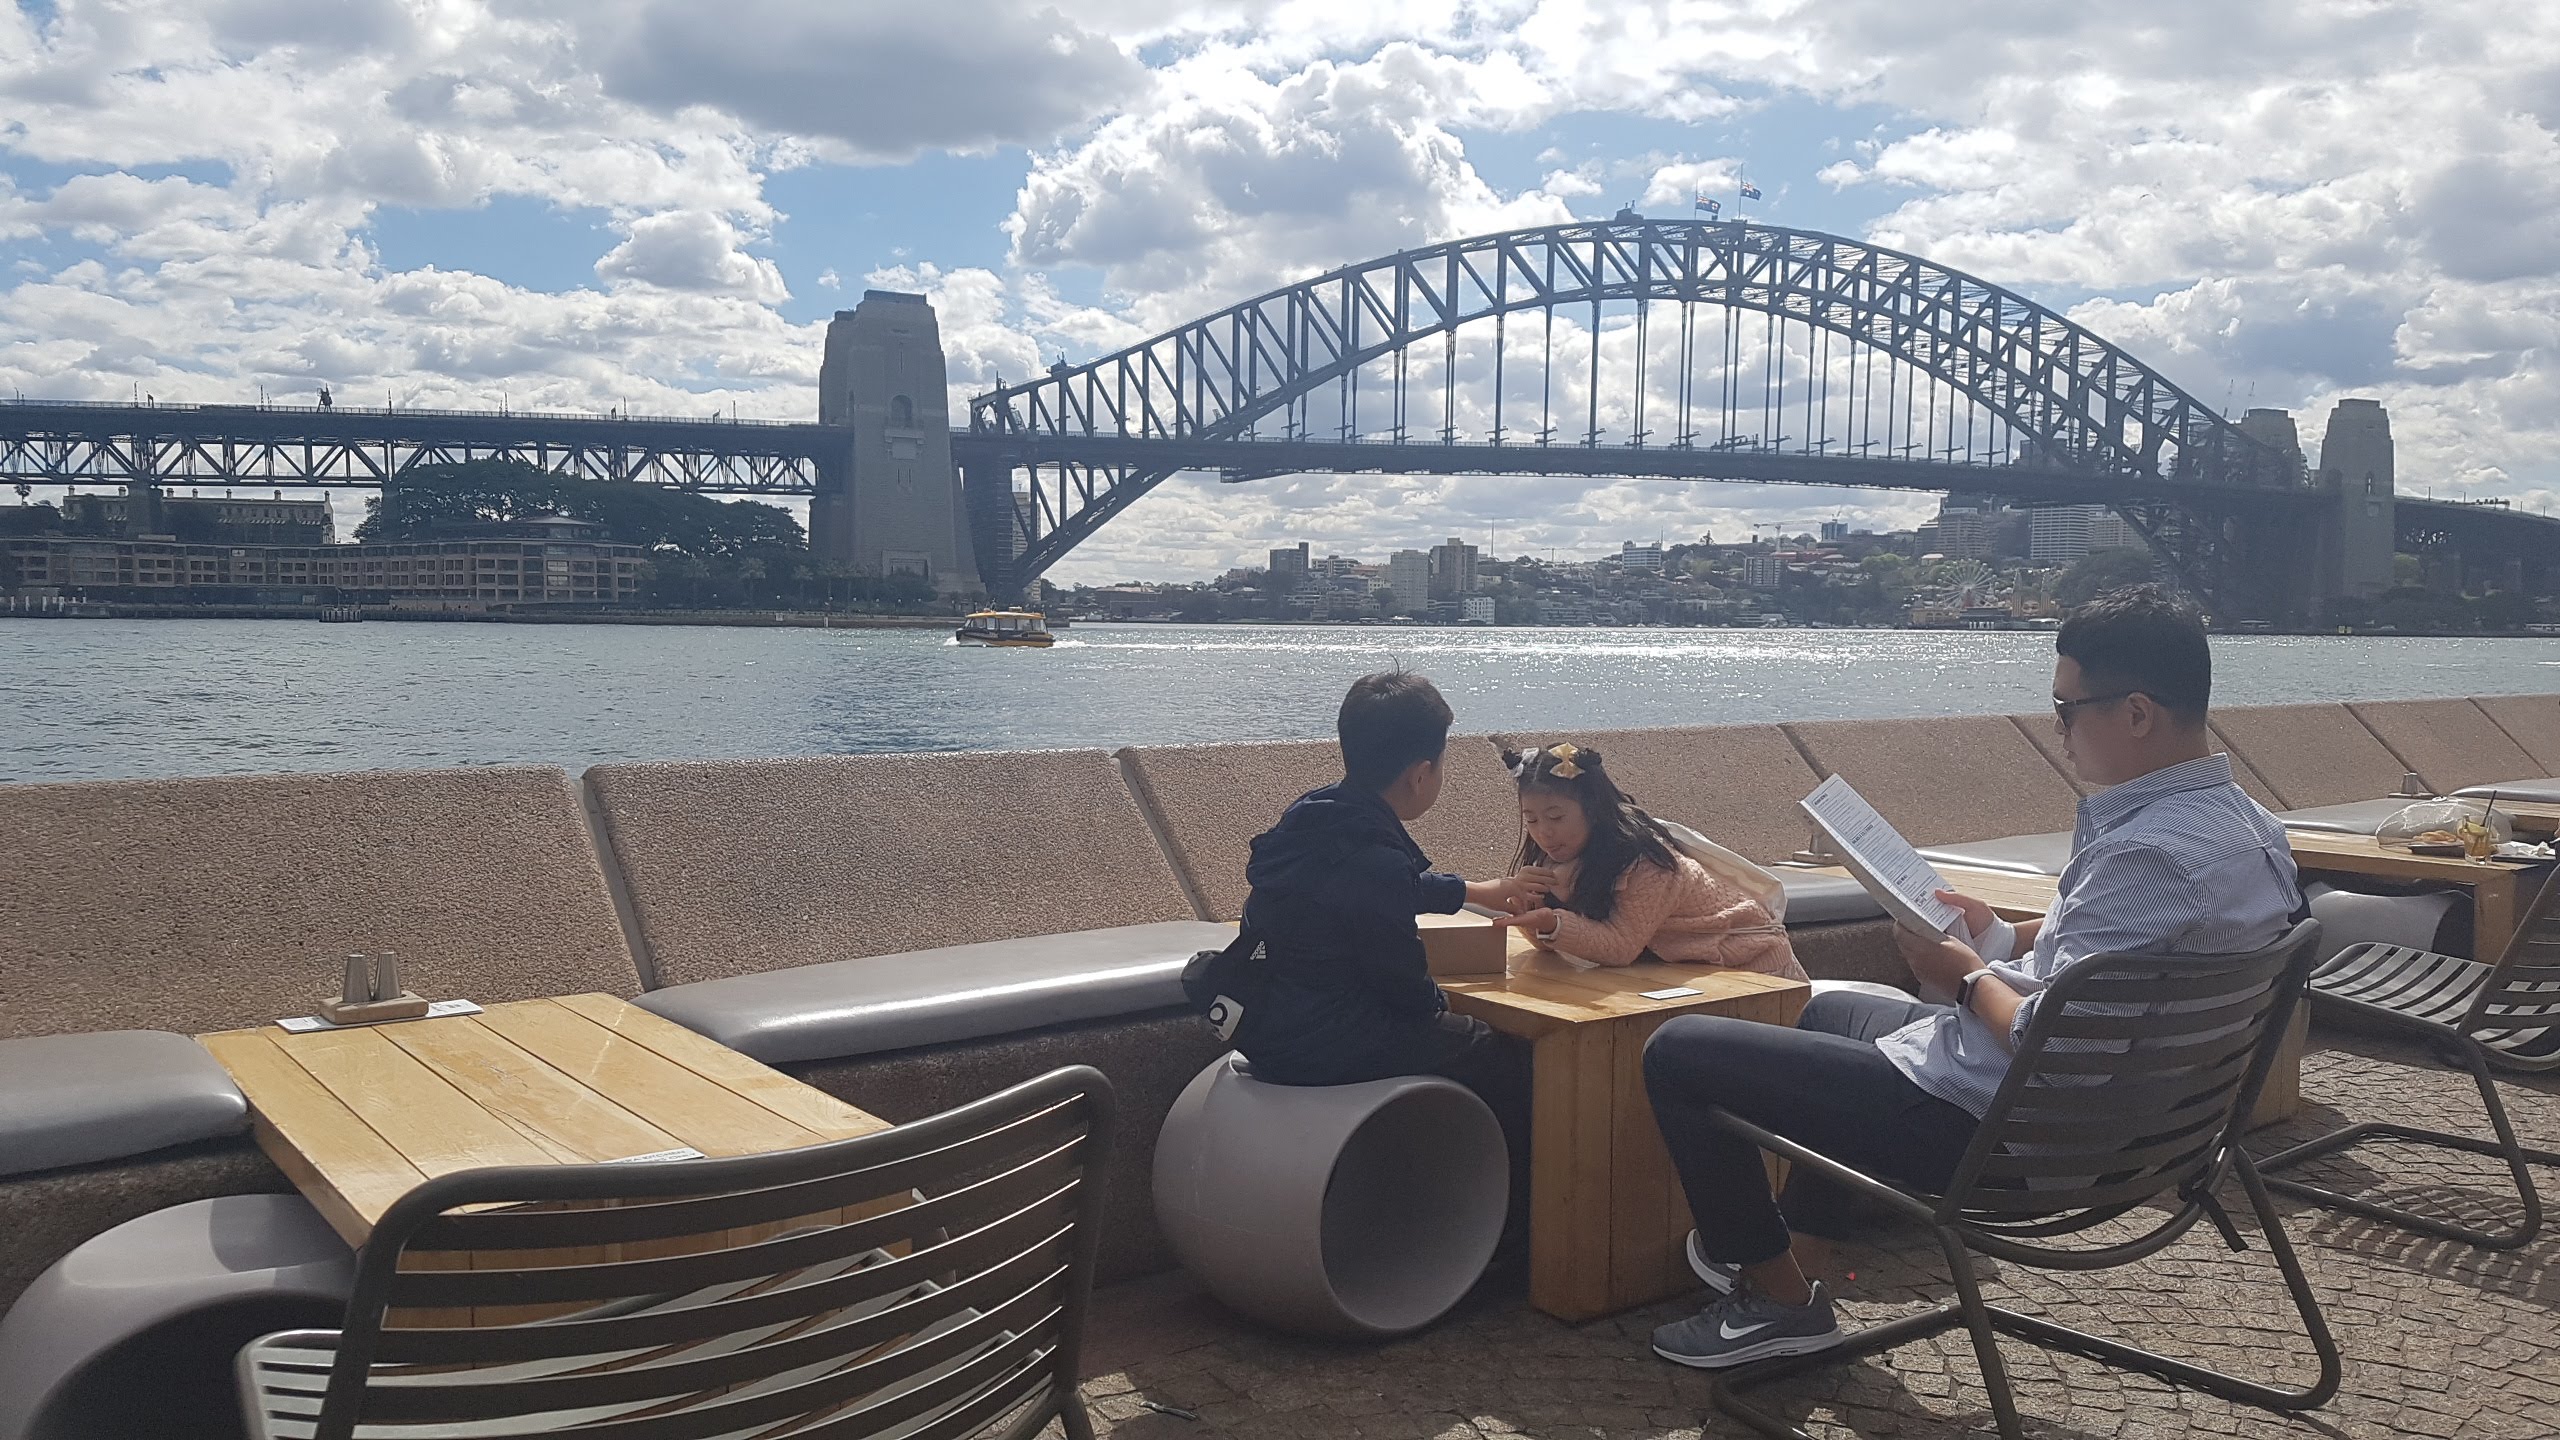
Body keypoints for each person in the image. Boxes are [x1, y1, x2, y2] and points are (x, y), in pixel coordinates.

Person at [1638, 584, 2303, 1369]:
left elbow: (2057, 1047)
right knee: (1831, 1017)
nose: (2057, 730)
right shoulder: (2248, 827)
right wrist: (1997, 935)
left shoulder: (2145, 854)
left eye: (2066, 709)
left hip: (2013, 1139)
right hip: (2140, 1128)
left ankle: (1775, 1298)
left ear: (2135, 714)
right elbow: (2130, 962)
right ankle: (1798, 1272)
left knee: (1678, 1050)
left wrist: (1959, 974)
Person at [1230, 669, 1537, 1086]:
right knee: (1500, 1052)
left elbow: (1377, 889)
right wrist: (1446, 1007)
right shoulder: (1379, 862)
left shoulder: (1315, 814)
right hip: (1323, 1043)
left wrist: (1475, 891)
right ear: (1420, 776)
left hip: (1268, 1027)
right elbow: (1403, 984)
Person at [1491, 741, 1806, 979]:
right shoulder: (1554, 859)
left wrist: (1553, 922)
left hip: (1751, 965)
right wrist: (1529, 914)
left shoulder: (1644, 863)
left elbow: (1620, 946)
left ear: (1593, 810)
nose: (1543, 832)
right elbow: (1563, 940)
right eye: (1531, 820)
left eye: (1556, 817)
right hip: (1680, 968)